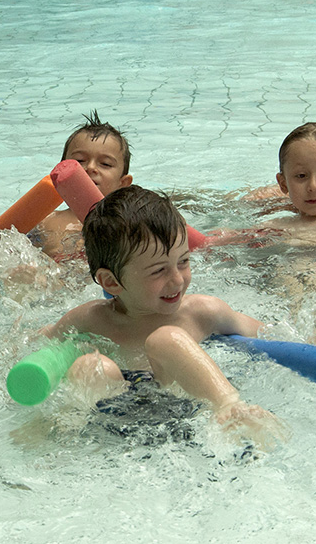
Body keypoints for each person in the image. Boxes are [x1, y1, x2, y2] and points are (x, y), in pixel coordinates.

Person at [43, 186, 288, 449]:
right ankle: (65, 436)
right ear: (111, 282)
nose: (177, 280)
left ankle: (231, 408)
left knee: (165, 339)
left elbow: (273, 335)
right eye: (159, 271)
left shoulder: (201, 313)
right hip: (116, 425)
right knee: (90, 365)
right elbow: (39, 344)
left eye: (183, 262)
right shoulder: (91, 320)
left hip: (191, 413)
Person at [36, 112, 132, 258]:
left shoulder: (128, 225)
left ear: (123, 184)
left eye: (105, 164)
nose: (90, 167)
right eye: (79, 161)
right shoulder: (46, 222)